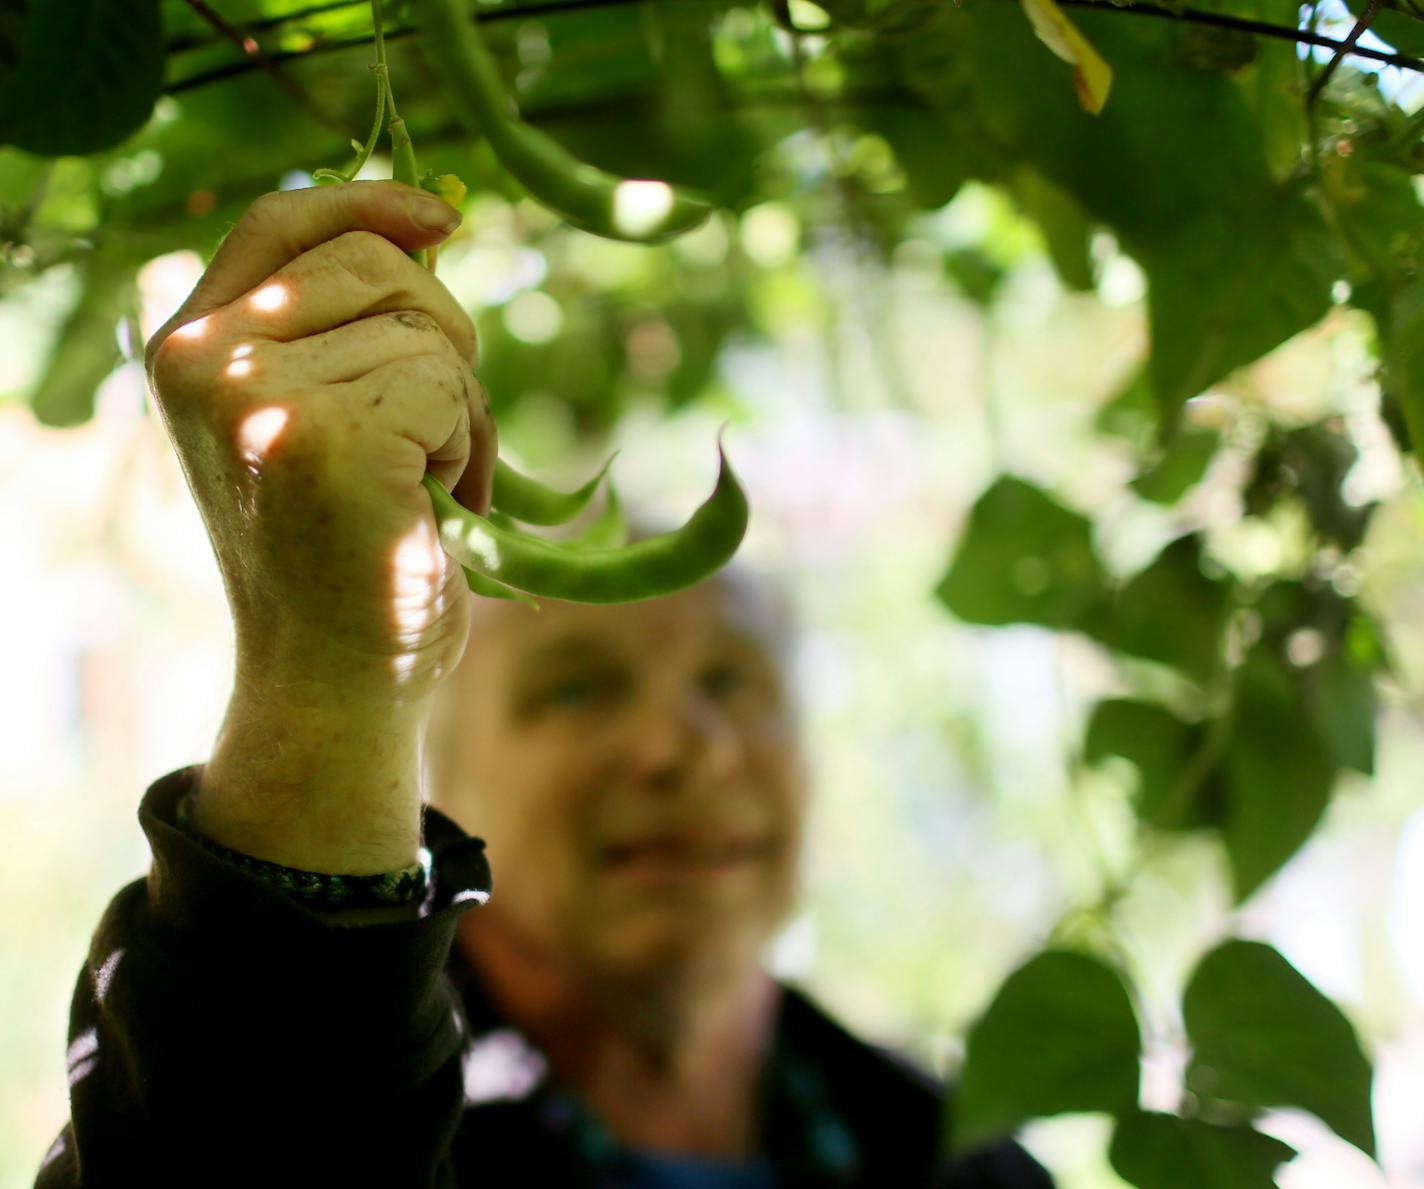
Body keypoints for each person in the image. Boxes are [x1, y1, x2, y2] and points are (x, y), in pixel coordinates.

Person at [35, 181, 1052, 1188]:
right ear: (447, 780)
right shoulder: (356, 1105)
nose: (683, 747)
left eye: (731, 681)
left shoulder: (966, 1165)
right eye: (575, 689)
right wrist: (333, 671)